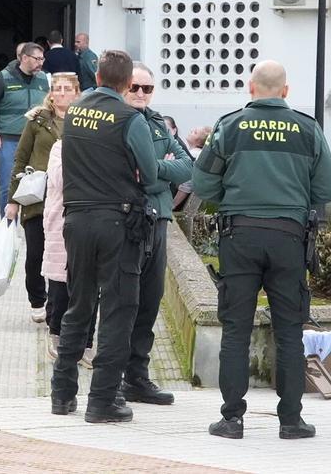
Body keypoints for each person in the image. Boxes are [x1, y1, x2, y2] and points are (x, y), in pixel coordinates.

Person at [193, 60, 331, 441]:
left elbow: (203, 183)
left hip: (238, 236)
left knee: (236, 329)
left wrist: (236, 197)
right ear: (286, 91)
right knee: (290, 330)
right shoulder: (307, 129)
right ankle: (291, 420)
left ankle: (232, 419)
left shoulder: (230, 125)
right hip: (290, 239)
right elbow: (327, 189)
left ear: (250, 87)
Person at [50, 50, 159, 424]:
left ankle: (62, 393)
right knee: (117, 310)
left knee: (78, 305)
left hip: (77, 220)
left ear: (96, 77)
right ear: (128, 83)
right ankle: (102, 401)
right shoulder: (131, 118)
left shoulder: (75, 112)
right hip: (117, 222)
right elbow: (151, 173)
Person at [120, 62, 193, 406]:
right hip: (127, 219)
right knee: (124, 300)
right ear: (123, 86)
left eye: (146, 89)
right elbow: (137, 175)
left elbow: (187, 166)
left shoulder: (158, 122)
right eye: (134, 87)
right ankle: (115, 376)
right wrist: (158, 168)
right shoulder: (118, 120)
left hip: (159, 218)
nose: (140, 94)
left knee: (150, 301)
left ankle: (138, 377)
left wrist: (154, 165)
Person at [6, 72, 81, 325]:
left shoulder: (81, 121)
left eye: (66, 89)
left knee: (61, 255)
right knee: (36, 253)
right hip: (38, 195)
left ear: (76, 93)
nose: (61, 93)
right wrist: (12, 200)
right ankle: (37, 299)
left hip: (67, 198)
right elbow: (21, 158)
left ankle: (58, 305)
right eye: (57, 88)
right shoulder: (38, 120)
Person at [42, 138, 98, 367]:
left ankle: (86, 342)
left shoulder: (101, 145)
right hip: (62, 222)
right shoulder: (59, 147)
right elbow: (60, 178)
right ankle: (57, 335)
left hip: (93, 222)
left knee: (91, 285)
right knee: (60, 284)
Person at [0, 43, 48, 211]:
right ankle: (8, 227)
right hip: (9, 139)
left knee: (38, 184)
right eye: (37, 59)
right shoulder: (4, 77)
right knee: (9, 186)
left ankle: (31, 226)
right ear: (24, 58)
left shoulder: (43, 78)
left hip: (36, 139)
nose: (41, 63)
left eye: (42, 59)